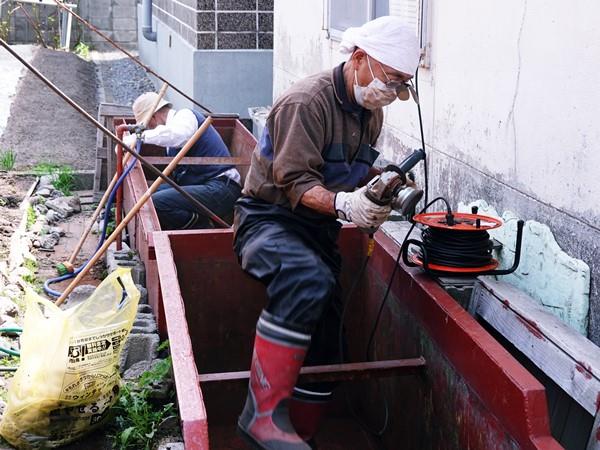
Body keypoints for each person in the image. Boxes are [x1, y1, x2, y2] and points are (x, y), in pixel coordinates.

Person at [232, 16, 421, 450]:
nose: (391, 92)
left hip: (317, 231)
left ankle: (298, 436)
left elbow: (352, 171)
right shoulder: (305, 103)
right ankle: (260, 417)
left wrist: (381, 187)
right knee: (306, 279)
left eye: (401, 85)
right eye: (391, 79)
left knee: (330, 339)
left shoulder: (370, 114)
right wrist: (346, 205)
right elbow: (296, 183)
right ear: (359, 59)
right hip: (268, 220)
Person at [124, 92, 242, 229]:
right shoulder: (170, 132)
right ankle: (197, 221)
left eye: (147, 125)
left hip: (221, 187)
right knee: (147, 195)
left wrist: (139, 137)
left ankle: (203, 226)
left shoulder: (185, 116)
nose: (148, 128)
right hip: (201, 185)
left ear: (154, 116)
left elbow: (178, 136)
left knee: (156, 203)